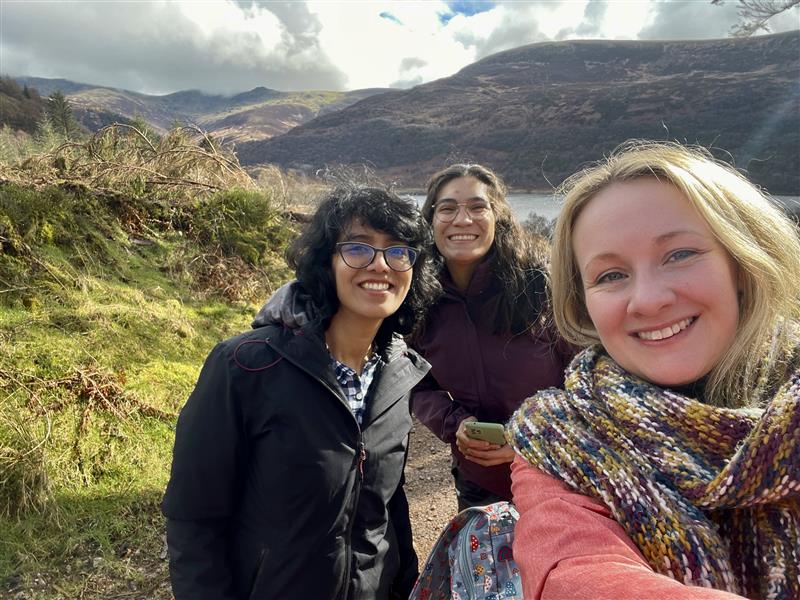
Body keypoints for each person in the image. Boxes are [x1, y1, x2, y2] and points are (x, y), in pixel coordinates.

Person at [506, 141, 800, 600]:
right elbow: (575, 569)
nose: (647, 300)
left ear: (741, 263)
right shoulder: (560, 435)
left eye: (679, 254)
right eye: (610, 276)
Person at [161, 186, 441, 600]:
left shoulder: (397, 375)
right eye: (358, 248)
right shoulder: (244, 367)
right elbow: (193, 519)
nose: (380, 264)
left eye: (398, 251)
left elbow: (388, 509)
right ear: (326, 262)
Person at [411, 163, 574, 510]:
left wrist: (529, 438)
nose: (462, 220)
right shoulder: (418, 297)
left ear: (497, 216)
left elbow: (585, 383)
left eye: (477, 206)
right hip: (478, 479)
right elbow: (414, 382)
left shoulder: (541, 286)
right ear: (431, 221)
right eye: (448, 208)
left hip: (557, 473)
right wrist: (455, 422)